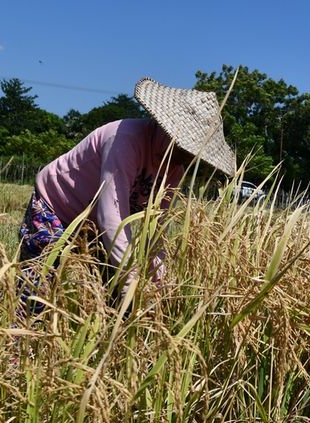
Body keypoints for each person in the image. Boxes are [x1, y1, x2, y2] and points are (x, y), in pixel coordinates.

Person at [17, 77, 236, 309]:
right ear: (168, 129)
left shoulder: (175, 170)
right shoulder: (126, 139)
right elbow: (111, 215)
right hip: (58, 206)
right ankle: (15, 340)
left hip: (95, 224)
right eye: (185, 147)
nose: (189, 157)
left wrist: (158, 283)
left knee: (114, 297)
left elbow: (156, 229)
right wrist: (133, 278)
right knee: (35, 291)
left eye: (195, 153)